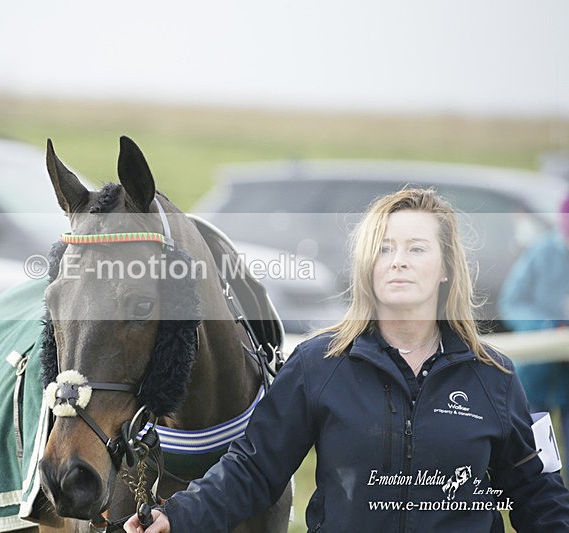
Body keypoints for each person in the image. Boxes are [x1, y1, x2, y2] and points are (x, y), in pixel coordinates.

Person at [125, 188, 569, 533]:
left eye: (416, 249)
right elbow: (253, 468)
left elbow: (537, 492)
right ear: (367, 266)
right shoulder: (318, 366)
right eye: (384, 248)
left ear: (447, 266)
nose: (398, 262)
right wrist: (177, 518)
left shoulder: (495, 377)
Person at [499, 193, 569, 483]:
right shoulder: (542, 253)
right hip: (535, 378)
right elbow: (511, 302)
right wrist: (547, 325)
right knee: (537, 463)